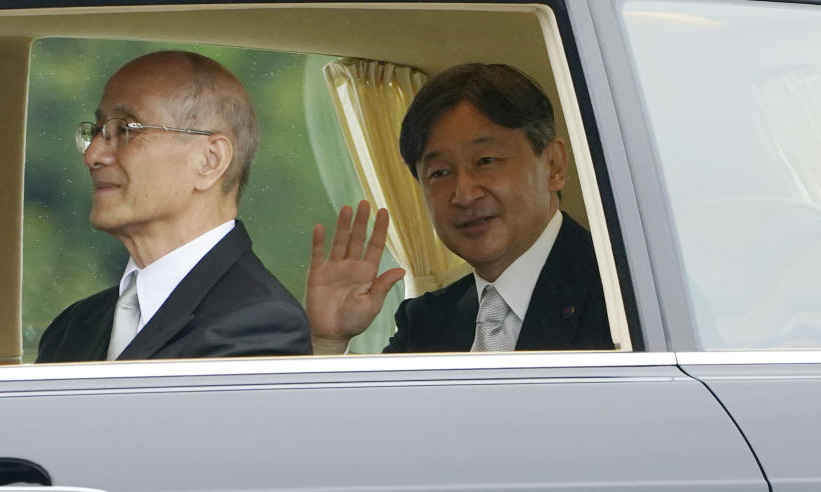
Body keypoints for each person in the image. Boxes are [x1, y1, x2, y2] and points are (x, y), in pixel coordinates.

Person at [306, 63, 612, 354]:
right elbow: (374, 410)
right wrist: (328, 342)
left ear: (553, 165)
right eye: (439, 173)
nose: (464, 195)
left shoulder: (622, 295)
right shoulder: (426, 321)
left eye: (486, 161)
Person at [37, 51, 311, 362]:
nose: (93, 155)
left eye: (126, 130)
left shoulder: (260, 327)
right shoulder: (73, 327)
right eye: (98, 131)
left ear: (209, 161)